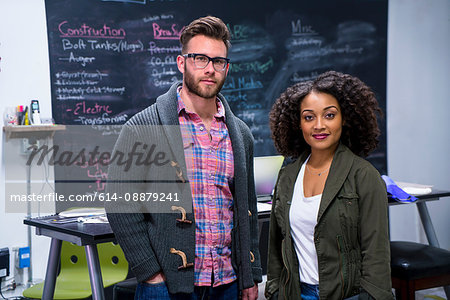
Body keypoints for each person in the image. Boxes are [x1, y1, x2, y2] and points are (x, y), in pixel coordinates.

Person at [106, 16, 261, 299]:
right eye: (200, 58)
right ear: (181, 63)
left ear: (226, 67)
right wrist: (150, 273)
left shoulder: (240, 135)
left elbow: (246, 210)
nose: (210, 69)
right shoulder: (143, 128)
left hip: (228, 282)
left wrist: (250, 275)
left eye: (218, 61)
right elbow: (119, 204)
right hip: (165, 286)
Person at [264, 71, 393, 300]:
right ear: (298, 123)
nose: (319, 126)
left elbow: (377, 256)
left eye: (330, 115)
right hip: (295, 293)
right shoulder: (287, 176)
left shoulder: (363, 176)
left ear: (345, 118)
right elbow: (276, 247)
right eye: (309, 117)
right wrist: (274, 289)